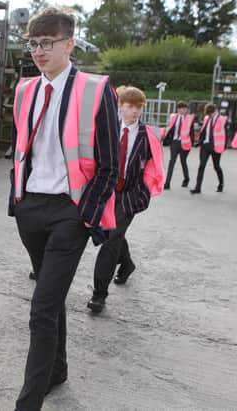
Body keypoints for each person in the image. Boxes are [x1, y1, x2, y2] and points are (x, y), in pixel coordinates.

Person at [9, 7, 119, 410]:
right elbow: (22, 150)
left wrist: (85, 213)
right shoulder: (24, 90)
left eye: (46, 43)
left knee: (41, 308)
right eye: (33, 44)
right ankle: (57, 370)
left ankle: (29, 402)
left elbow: (110, 164)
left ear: (69, 43)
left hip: (70, 212)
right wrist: (18, 201)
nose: (38, 51)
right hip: (31, 209)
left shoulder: (95, 88)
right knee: (50, 300)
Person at [87, 86, 164, 313]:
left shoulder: (147, 135)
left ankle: (99, 294)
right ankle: (127, 263)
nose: (134, 111)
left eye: (138, 107)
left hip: (129, 195)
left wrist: (146, 190)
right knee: (115, 234)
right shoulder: (107, 129)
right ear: (120, 106)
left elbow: (153, 165)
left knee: (110, 241)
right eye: (130, 106)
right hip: (106, 192)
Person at [190, 103, 228, 194]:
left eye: (211, 114)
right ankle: (197, 187)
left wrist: (224, 146)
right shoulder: (207, 118)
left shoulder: (223, 120)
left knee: (216, 166)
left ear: (215, 111)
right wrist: (199, 142)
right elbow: (203, 132)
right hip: (205, 146)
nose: (209, 116)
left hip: (216, 146)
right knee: (201, 166)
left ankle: (221, 184)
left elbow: (226, 134)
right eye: (208, 114)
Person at [162, 101, 194, 189]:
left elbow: (192, 132)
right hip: (175, 142)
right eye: (182, 109)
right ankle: (167, 183)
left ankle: (186, 179)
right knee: (171, 162)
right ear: (178, 109)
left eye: (185, 109)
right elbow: (170, 128)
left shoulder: (190, 118)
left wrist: (191, 143)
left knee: (183, 162)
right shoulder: (173, 117)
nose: (184, 110)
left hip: (185, 143)